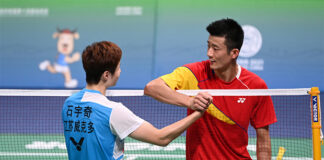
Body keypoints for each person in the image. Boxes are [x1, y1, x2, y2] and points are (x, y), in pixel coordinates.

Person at [144, 18, 277, 160]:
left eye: (215, 48)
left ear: (234, 53)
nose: (209, 53)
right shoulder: (194, 73)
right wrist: (190, 102)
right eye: (208, 46)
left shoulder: (255, 86)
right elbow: (152, 88)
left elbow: (263, 140)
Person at [62, 41, 213, 160]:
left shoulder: (69, 104)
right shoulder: (112, 111)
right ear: (106, 75)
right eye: (119, 67)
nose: (120, 71)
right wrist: (197, 112)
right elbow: (161, 138)